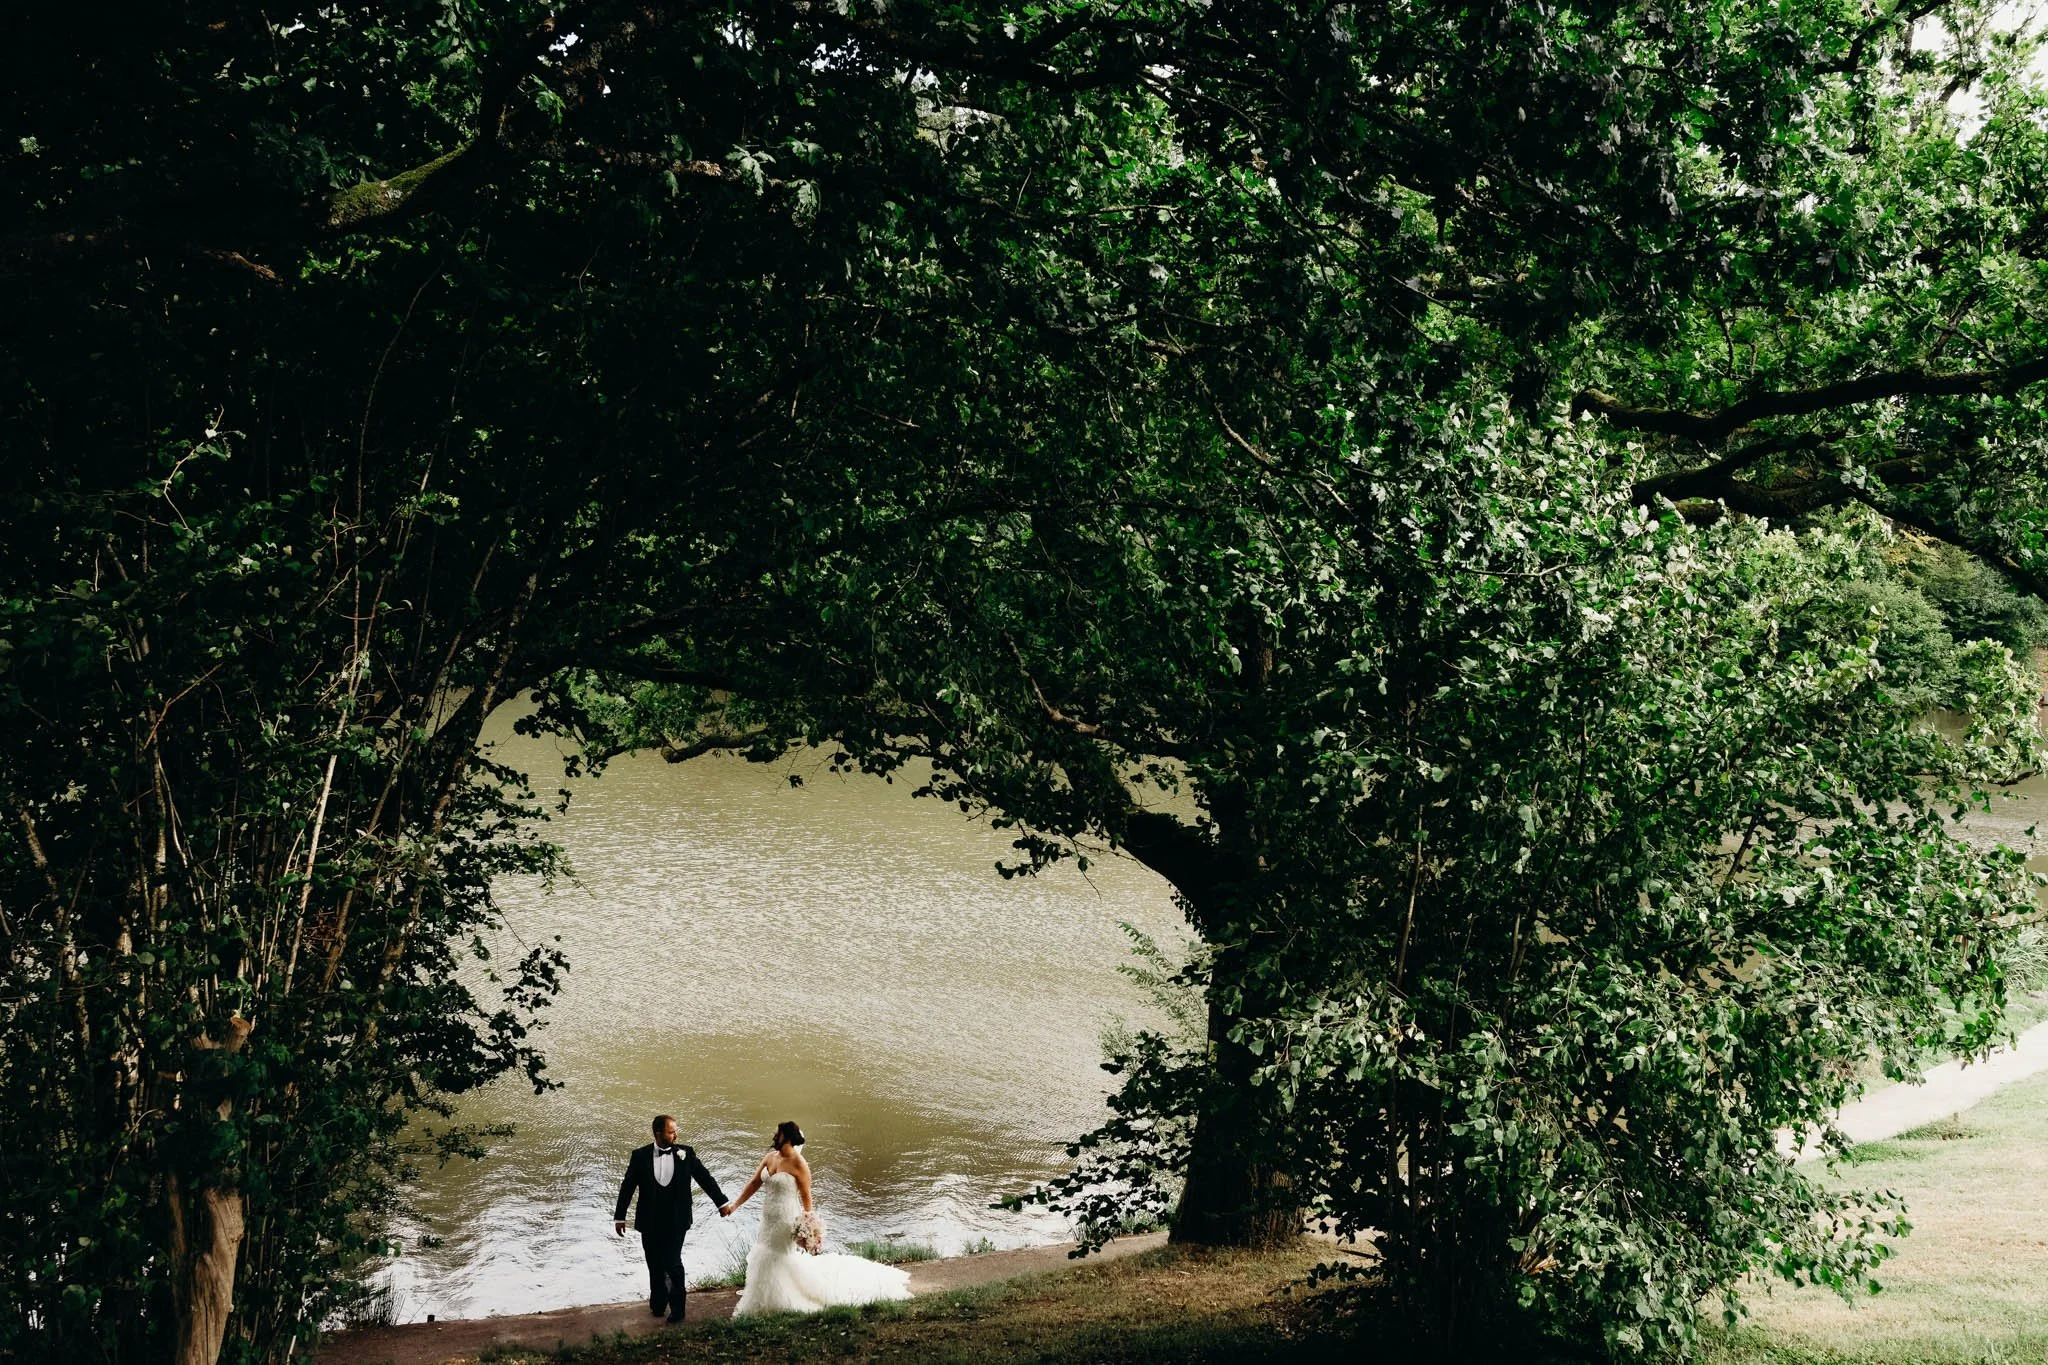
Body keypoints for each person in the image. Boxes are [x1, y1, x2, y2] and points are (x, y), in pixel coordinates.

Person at [722, 1120, 913, 1316]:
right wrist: (734, 1206)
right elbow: (754, 1183)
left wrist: (808, 1228)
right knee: (763, 1252)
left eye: (777, 1133)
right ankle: (760, 1294)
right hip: (767, 1218)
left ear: (787, 1137)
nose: (774, 1136)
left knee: (778, 1255)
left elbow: (806, 1198)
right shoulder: (770, 1158)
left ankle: (779, 1298)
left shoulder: (799, 1164)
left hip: (785, 1219)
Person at [614, 1113, 731, 1323]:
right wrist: (619, 1217)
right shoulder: (639, 1156)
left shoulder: (686, 1153)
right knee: (654, 1264)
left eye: (675, 1131)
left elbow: (705, 1178)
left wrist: (721, 1203)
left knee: (673, 1262)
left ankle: (678, 1310)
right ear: (659, 1133)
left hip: (677, 1220)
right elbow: (627, 1186)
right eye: (671, 1131)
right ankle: (658, 1304)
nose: (675, 1135)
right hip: (649, 1221)